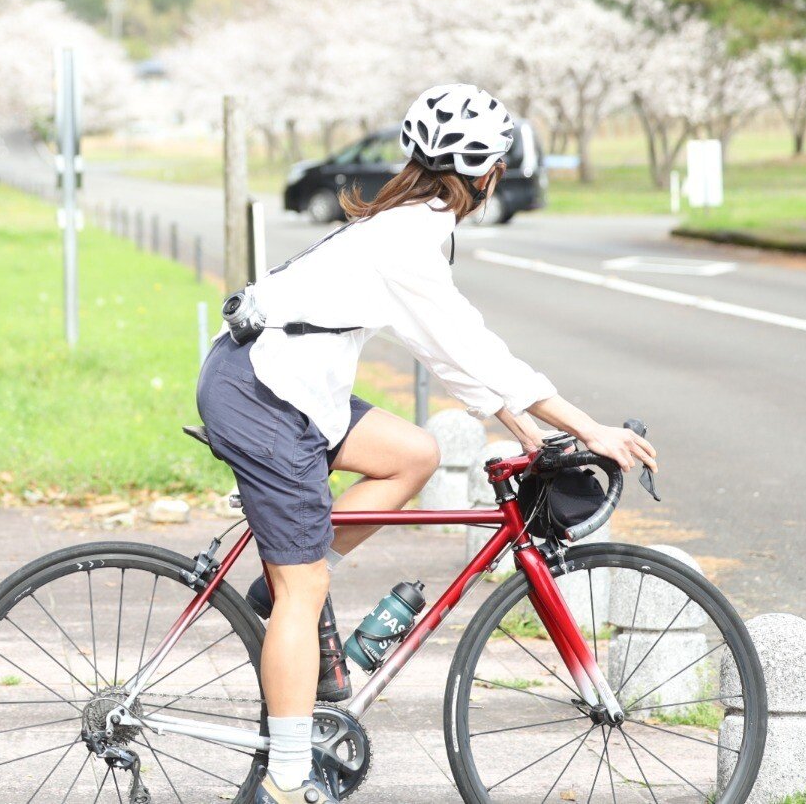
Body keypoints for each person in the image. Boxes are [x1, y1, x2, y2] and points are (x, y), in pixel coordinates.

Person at [195, 83, 657, 804]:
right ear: (486, 173)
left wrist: (529, 432)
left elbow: (460, 358)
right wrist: (588, 428)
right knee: (303, 588)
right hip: (261, 392)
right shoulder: (410, 235)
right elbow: (470, 350)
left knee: (415, 453)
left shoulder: (415, 221)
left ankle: (280, 580)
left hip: (287, 384)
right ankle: (284, 783)